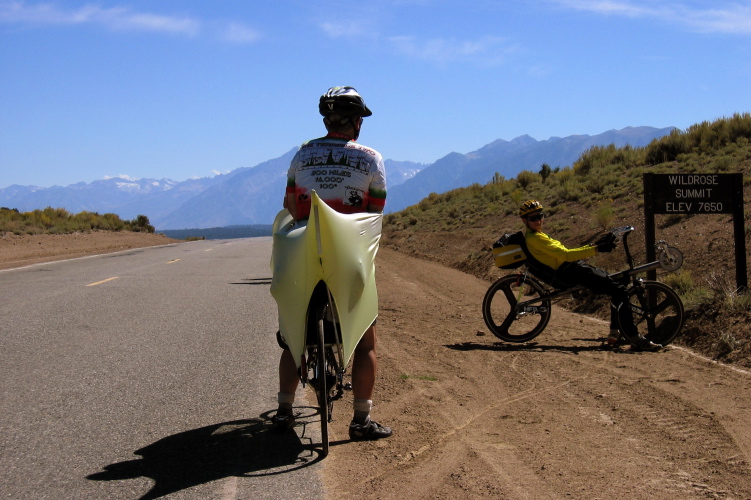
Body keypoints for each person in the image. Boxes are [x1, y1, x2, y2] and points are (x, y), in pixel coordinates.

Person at [272, 86, 392, 440]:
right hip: (348, 254)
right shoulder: (371, 158)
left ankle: (283, 411)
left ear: (326, 119)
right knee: (366, 342)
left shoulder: (302, 154)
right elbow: (375, 211)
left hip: (303, 253)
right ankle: (361, 420)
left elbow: (290, 204)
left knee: (292, 335)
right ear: (356, 122)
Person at [518, 200, 662, 352]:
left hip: (574, 268)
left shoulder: (539, 236)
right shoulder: (536, 239)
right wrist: (597, 248)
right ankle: (635, 338)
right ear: (524, 220)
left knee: (617, 283)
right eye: (533, 218)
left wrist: (595, 245)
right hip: (573, 273)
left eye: (540, 216)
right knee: (619, 291)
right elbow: (567, 255)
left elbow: (566, 252)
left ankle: (615, 333)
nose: (538, 220)